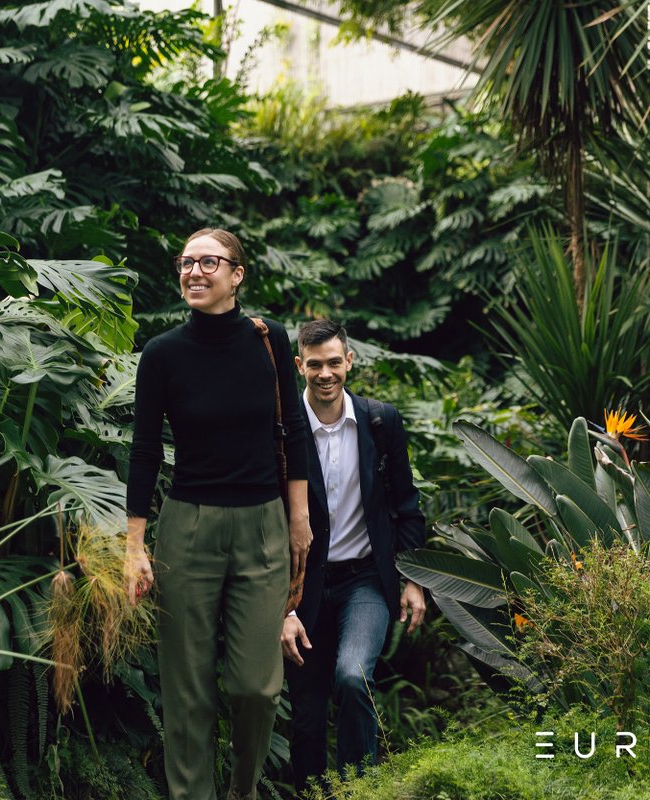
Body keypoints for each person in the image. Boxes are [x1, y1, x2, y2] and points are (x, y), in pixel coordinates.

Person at [124, 228, 312, 800]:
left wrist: (298, 518)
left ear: (237, 275)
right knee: (187, 691)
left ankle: (243, 791)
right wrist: (135, 546)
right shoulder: (162, 355)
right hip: (188, 528)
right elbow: (145, 451)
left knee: (256, 687)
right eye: (186, 262)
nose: (195, 272)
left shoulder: (269, 341)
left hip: (263, 527)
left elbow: (294, 431)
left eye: (209, 262)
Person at [281, 319, 426, 793]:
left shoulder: (380, 422)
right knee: (306, 713)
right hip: (302, 586)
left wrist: (413, 580)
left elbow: (406, 506)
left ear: (350, 361)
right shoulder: (283, 429)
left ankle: (358, 789)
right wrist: (282, 603)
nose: (326, 374)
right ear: (300, 365)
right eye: (315, 365)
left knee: (352, 676)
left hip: (365, 579)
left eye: (335, 362)